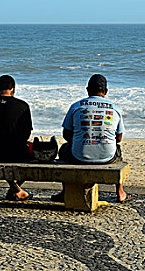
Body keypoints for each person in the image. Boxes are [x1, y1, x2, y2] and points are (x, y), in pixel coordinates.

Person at [52, 74, 128, 203]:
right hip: (107, 157)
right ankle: (120, 191)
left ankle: (65, 191)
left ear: (87, 90)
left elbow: (66, 134)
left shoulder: (76, 106)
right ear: (106, 91)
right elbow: (119, 138)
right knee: (118, 149)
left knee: (64, 148)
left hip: (78, 156)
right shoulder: (114, 108)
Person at [0, 75, 33, 201]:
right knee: (33, 153)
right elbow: (27, 133)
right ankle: (16, 187)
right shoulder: (23, 106)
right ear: (13, 89)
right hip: (17, 154)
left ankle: (15, 189)